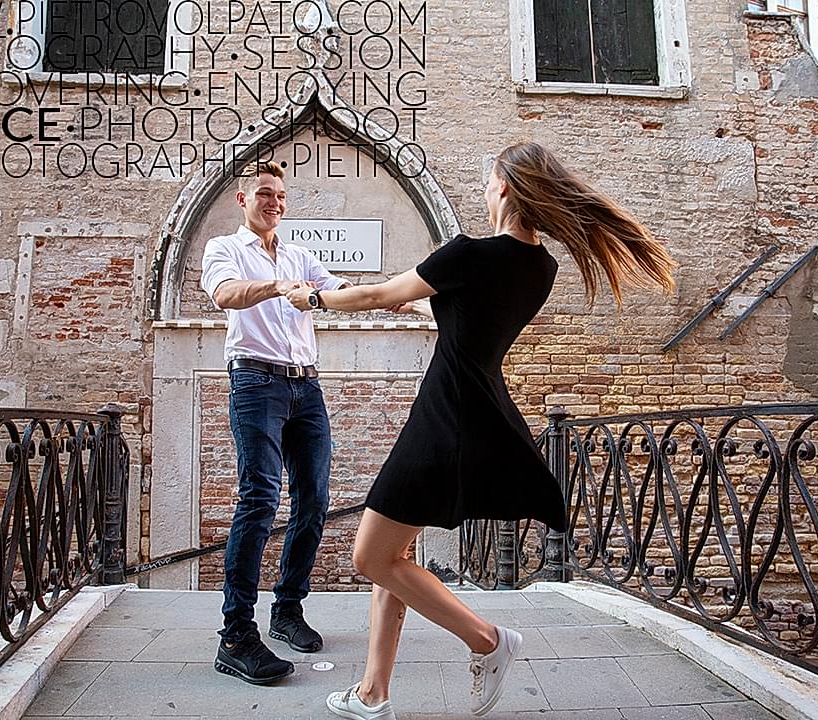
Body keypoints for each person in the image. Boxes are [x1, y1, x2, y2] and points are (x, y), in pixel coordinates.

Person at [286, 141, 676, 718]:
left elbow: (372, 293)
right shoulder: (539, 266)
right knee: (398, 553)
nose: (483, 189)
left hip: (445, 417)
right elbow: (473, 318)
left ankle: (487, 642)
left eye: (488, 180)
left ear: (505, 189)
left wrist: (313, 297)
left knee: (371, 556)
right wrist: (423, 306)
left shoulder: (468, 252)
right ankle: (373, 694)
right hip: (475, 408)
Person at [200, 161, 351, 685]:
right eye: (265, 194)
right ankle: (236, 636)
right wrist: (276, 286)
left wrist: (416, 294)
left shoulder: (301, 255)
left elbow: (339, 293)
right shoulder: (224, 248)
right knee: (260, 498)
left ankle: (287, 610)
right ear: (243, 199)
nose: (275, 203)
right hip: (255, 384)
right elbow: (225, 295)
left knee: (314, 498)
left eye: (282, 196)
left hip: (306, 386)